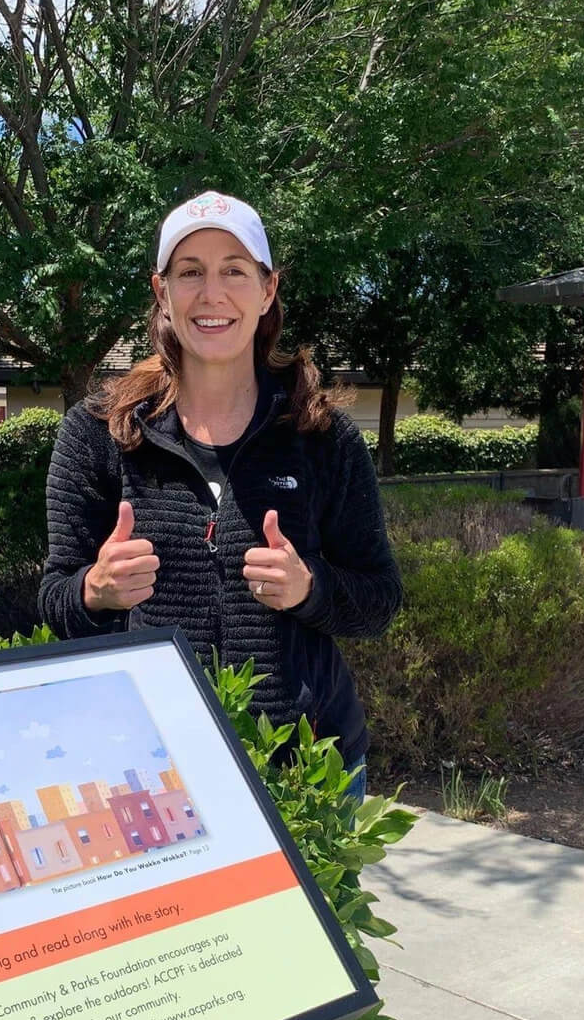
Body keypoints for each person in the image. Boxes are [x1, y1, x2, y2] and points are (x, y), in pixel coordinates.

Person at [39, 190, 401, 804]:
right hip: (152, 770)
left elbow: (380, 599)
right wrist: (93, 591)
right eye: (190, 273)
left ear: (267, 290)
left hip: (308, 774)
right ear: (162, 293)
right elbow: (54, 600)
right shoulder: (98, 432)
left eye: (235, 270)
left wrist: (309, 589)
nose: (212, 294)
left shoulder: (321, 436)